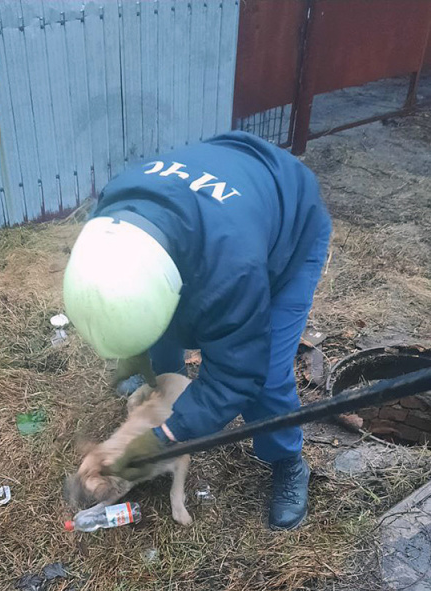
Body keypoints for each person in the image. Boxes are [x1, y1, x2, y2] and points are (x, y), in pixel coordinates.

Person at [64, 132, 331, 530]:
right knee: (163, 331)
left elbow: (236, 375)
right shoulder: (110, 220)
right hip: (219, 208)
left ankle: (288, 461)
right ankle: (167, 391)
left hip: (291, 220)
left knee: (268, 375)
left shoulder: (231, 270)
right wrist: (135, 354)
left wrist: (163, 437)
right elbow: (126, 301)